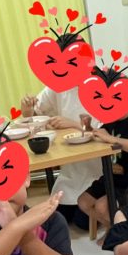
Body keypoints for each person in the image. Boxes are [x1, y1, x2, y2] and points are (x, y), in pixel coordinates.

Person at [19, 86, 102, 227]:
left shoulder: (99, 84)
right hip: (70, 171)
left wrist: (73, 124)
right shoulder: (58, 85)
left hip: (97, 168)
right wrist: (28, 109)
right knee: (57, 217)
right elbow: (37, 113)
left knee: (82, 222)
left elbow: (104, 131)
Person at [75, 109, 128, 240]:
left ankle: (123, 232)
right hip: (111, 176)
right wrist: (89, 127)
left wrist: (110, 138)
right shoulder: (111, 120)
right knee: (83, 202)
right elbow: (99, 135)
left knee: (101, 207)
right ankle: (113, 227)